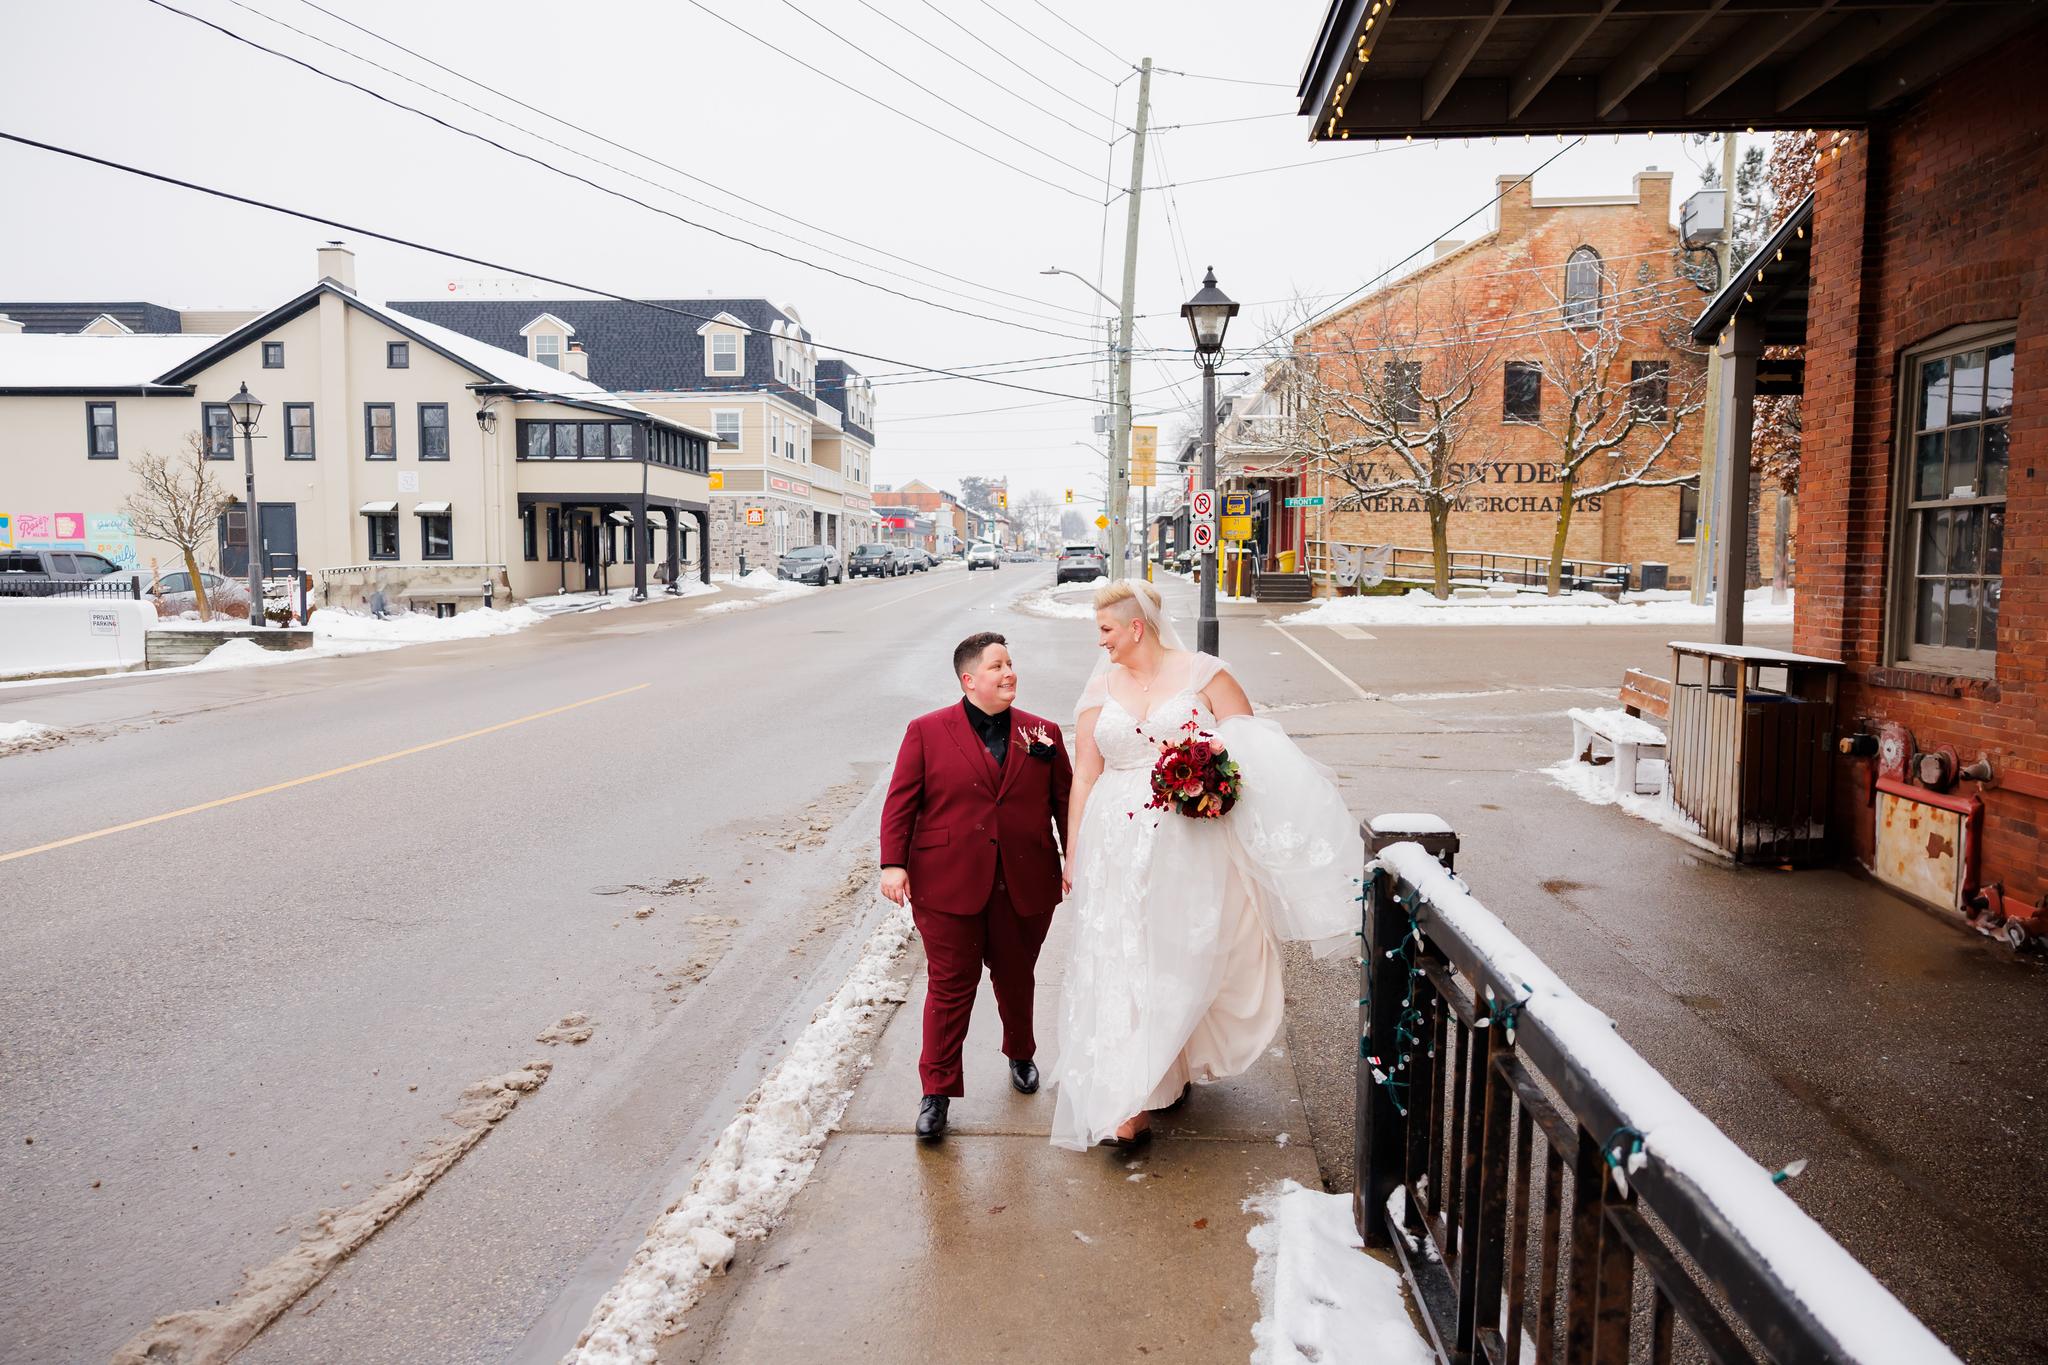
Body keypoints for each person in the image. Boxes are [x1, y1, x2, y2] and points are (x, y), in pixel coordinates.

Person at [1050, 580, 1360, 1151]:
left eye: (1106, 631)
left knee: (1177, 953)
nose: (1102, 643)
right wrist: (1075, 852)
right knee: (1123, 956)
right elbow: (1086, 777)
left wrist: (1213, 775)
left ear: (1135, 627)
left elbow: (1254, 748)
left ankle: (1172, 1060)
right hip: (1116, 842)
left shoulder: (1203, 674)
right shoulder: (1100, 688)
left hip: (1190, 841)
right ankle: (1128, 1100)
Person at [880, 632, 1074, 1143]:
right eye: (997, 666)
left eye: (1011, 663)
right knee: (949, 989)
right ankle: (936, 1093)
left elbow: (1066, 804)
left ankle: (1021, 1053)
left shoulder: (1043, 732)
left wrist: (1075, 857)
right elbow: (900, 802)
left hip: (1025, 881)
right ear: (969, 680)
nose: (1009, 673)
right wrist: (893, 864)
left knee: (1016, 976)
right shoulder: (926, 731)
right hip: (948, 883)